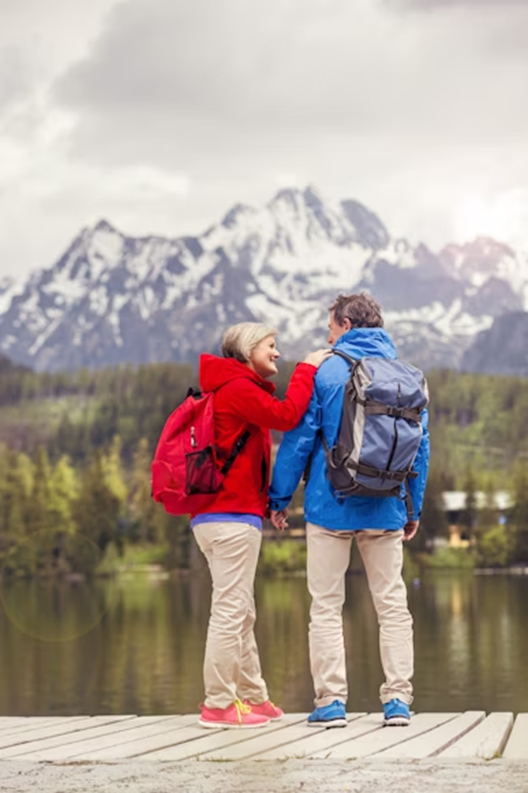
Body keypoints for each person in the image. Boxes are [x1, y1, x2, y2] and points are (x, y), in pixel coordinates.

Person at [269, 293, 430, 728]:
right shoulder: (408, 374)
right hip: (387, 508)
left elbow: (300, 440)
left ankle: (332, 702)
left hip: (330, 506)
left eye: (330, 327)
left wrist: (279, 499)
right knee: (392, 604)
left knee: (325, 605)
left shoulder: (328, 370)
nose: (327, 336)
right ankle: (398, 700)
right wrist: (414, 507)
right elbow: (420, 448)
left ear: (344, 323)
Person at [193, 321, 330, 729]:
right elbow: (287, 416)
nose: (277, 353)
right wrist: (306, 369)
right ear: (249, 348)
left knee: (242, 610)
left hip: (220, 516)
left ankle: (253, 696)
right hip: (231, 519)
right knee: (230, 611)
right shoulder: (238, 389)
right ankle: (218, 704)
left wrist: (270, 502)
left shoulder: (228, 389)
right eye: (271, 346)